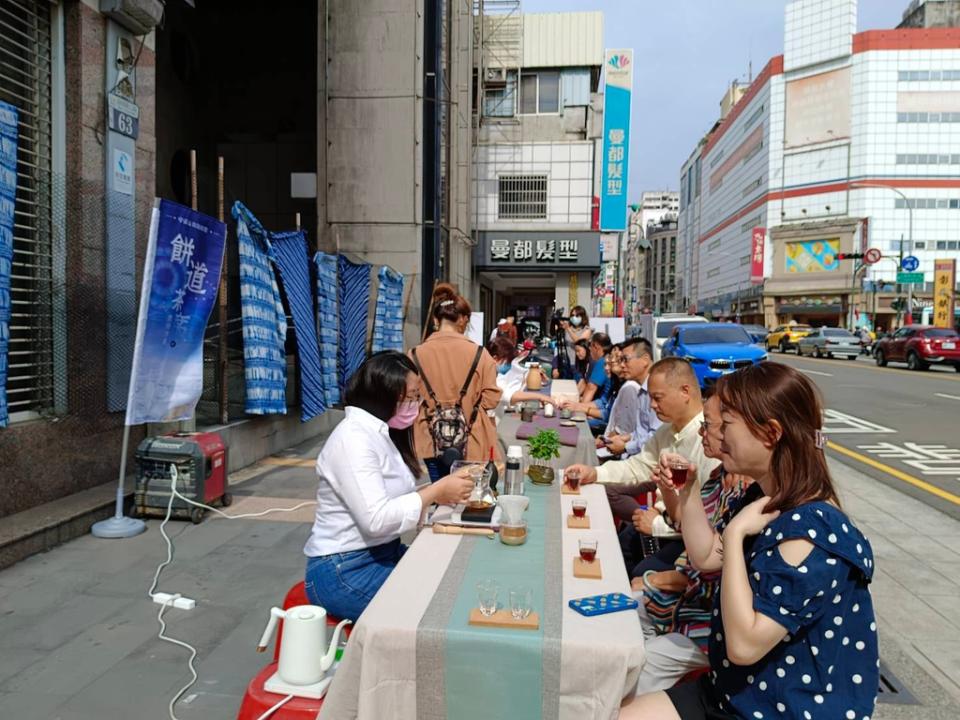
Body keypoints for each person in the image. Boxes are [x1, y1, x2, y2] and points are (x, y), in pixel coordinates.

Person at [621, 363, 878, 720]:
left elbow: (744, 645)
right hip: (738, 692)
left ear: (770, 433)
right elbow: (708, 557)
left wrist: (735, 532)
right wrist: (689, 491)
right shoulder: (766, 495)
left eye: (726, 425)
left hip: (781, 708)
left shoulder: (809, 530)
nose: (716, 436)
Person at [303, 352, 475, 622]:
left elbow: (393, 500)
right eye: (411, 397)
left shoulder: (380, 433)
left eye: (417, 397)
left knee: (454, 575)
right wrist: (436, 492)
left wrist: (439, 492)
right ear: (385, 396)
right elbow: (376, 519)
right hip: (344, 570)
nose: (416, 405)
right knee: (442, 609)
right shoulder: (354, 440)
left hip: (383, 553)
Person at [630, 391, 754, 694]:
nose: (703, 434)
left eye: (711, 425)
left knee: (631, 670)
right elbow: (696, 538)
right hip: (695, 600)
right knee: (626, 609)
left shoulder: (757, 495)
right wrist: (673, 489)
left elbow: (708, 563)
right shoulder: (720, 477)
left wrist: (659, 579)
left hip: (709, 619)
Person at [410, 283, 502, 481]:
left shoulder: (414, 355)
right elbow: (491, 399)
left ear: (436, 319)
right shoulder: (480, 354)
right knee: (469, 497)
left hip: (429, 438)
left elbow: (409, 398)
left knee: (438, 493)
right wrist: (467, 408)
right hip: (472, 439)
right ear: (463, 320)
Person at [602, 337, 660, 458]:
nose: (622, 365)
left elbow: (656, 437)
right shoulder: (641, 390)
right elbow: (642, 432)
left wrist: (625, 446)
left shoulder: (657, 391)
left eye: (625, 360)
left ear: (645, 360)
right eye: (620, 360)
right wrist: (627, 437)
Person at [559, 332, 614, 432]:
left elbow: (590, 388)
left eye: (590, 346)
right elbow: (602, 400)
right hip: (601, 408)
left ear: (596, 346)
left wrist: (581, 409)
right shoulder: (603, 360)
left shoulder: (602, 361)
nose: (589, 349)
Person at [487, 336, 553, 406]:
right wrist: (540, 397)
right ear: (495, 359)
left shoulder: (497, 373)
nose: (509, 364)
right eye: (508, 361)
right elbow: (508, 397)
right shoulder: (489, 378)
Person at [553, 305, 593, 379]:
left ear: (583, 316)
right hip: (566, 363)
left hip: (578, 365)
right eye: (572, 315)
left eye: (577, 315)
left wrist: (568, 329)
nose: (574, 317)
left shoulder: (587, 329)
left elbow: (579, 342)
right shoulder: (568, 328)